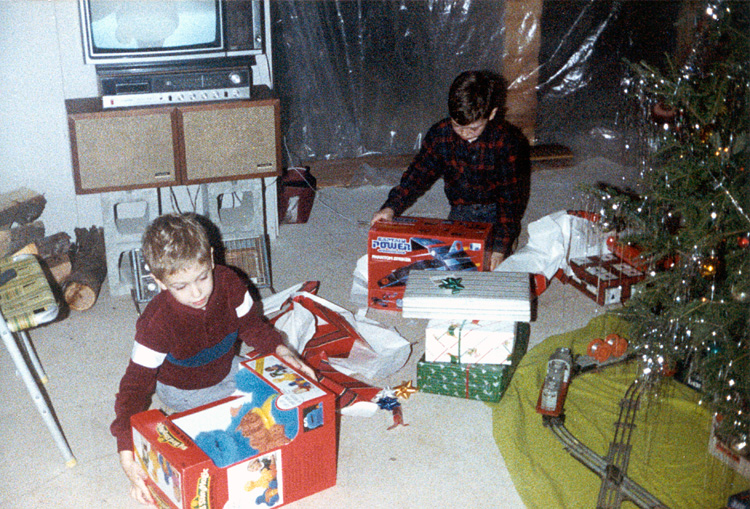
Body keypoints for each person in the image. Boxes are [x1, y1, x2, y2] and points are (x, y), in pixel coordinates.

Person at [110, 212, 313, 507]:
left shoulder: (231, 283)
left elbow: (253, 327)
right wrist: (126, 448)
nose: (196, 293)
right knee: (220, 445)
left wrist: (281, 350)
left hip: (228, 367)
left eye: (202, 277)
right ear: (159, 281)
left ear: (212, 258)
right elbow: (134, 387)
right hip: (184, 391)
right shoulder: (155, 323)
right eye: (181, 286)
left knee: (279, 404)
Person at [370, 70, 530, 270]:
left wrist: (500, 245)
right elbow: (417, 175)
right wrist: (391, 207)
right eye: (457, 126)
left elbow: (510, 199)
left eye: (473, 129)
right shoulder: (441, 134)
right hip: (461, 208)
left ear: (492, 114)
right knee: (454, 262)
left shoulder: (507, 141)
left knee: (493, 265)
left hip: (496, 209)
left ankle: (506, 239)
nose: (464, 134)